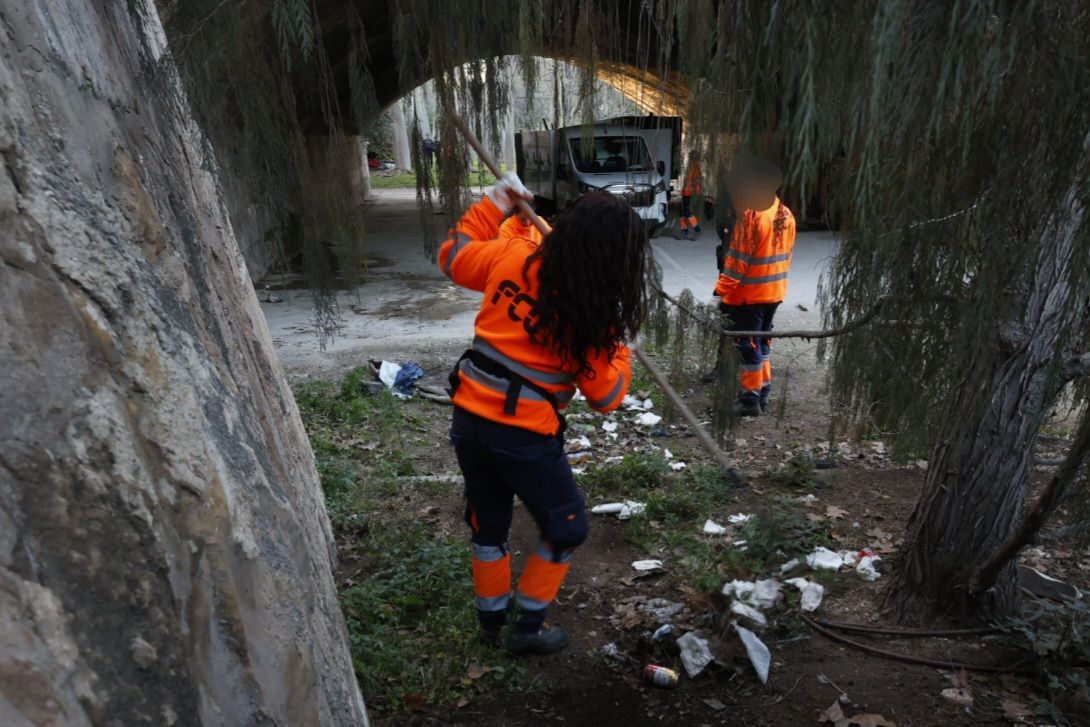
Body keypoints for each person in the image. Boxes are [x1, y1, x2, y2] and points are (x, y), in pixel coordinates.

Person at [439, 173, 649, 655]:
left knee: (487, 521)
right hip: (524, 439)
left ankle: (491, 622)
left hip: (470, 421)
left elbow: (453, 257)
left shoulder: (513, 256)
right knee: (567, 527)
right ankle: (528, 630)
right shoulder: (590, 317)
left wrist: (495, 205)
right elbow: (607, 395)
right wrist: (622, 347)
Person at [704, 153, 796, 416]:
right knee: (762, 344)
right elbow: (787, 255)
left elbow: (736, 264)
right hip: (774, 293)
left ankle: (749, 400)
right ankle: (762, 392)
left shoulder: (752, 216)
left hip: (749, 297)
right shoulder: (784, 213)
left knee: (749, 348)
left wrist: (718, 293)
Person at [679, 150, 703, 237]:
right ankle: (684, 230)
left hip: (689, 193)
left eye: (690, 156)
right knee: (682, 212)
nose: (689, 157)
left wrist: (693, 190)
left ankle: (697, 230)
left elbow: (696, 181)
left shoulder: (694, 167)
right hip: (686, 192)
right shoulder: (692, 166)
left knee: (687, 212)